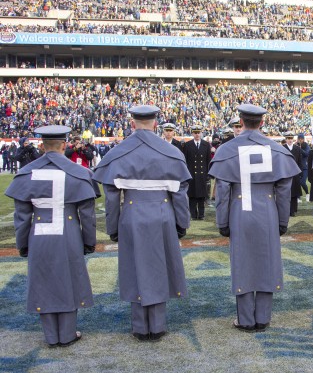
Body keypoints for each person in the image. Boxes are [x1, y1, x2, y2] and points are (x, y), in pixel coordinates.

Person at [93, 105, 191, 342]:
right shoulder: (171, 152)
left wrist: (113, 227)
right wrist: (182, 223)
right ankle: (157, 325)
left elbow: (112, 195)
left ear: (132, 123)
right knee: (159, 266)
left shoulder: (119, 152)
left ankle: (139, 326)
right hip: (162, 213)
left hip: (132, 214)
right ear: (156, 123)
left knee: (134, 267)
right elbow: (180, 193)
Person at [209, 104, 300, 332]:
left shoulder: (227, 149)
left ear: (241, 120)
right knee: (267, 262)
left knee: (242, 263)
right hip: (267, 210)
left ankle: (246, 319)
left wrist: (222, 222)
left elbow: (222, 190)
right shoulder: (276, 149)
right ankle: (263, 318)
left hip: (240, 210)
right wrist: (281, 220)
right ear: (262, 122)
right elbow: (284, 190)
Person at [5, 125, 99, 347]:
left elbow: (21, 218)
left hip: (39, 234)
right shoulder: (81, 173)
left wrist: (23, 245)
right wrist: (89, 242)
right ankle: (67, 334)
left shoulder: (26, 173)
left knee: (43, 281)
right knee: (69, 278)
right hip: (69, 233)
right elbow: (87, 216)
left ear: (42, 145)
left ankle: (50, 335)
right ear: (64, 145)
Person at [182, 125, 212, 220]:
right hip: (191, 174)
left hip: (202, 174)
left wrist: (208, 173)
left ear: (201, 133)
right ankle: (194, 215)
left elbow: (208, 161)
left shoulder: (206, 145)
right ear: (192, 133)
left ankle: (201, 215)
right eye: (195, 133)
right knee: (192, 196)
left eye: (198, 132)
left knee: (201, 196)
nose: (197, 134)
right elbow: (185, 161)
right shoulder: (187, 145)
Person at [282, 132, 303, 217]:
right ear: (286, 139)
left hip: (295, 173)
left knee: (294, 192)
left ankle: (293, 210)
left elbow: (300, 161)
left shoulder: (297, 148)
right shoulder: (282, 148)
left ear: (293, 139)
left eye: (291, 138)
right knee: (286, 192)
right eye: (288, 138)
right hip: (286, 173)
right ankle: (286, 210)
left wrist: (300, 172)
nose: (290, 140)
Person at [297, 133, 310, 198]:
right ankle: (298, 197)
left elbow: (307, 154)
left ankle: (307, 193)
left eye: (301, 139)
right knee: (297, 183)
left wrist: (300, 149)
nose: (300, 140)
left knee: (303, 182)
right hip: (297, 167)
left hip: (304, 167)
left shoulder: (306, 145)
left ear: (303, 139)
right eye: (299, 139)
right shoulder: (295, 145)